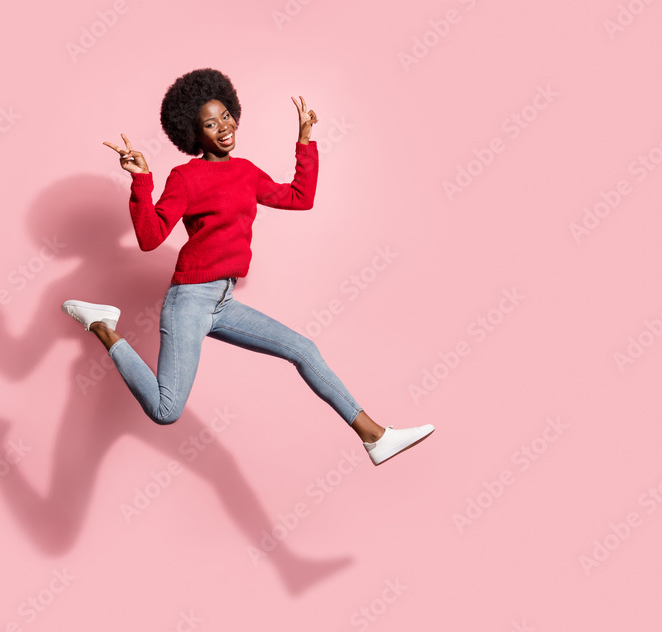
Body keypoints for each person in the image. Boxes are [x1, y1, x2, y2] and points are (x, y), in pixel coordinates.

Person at [63, 68, 433, 465]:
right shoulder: (185, 178)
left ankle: (374, 437)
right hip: (189, 301)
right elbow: (151, 238)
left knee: (304, 350)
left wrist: (304, 142)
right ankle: (101, 326)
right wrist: (141, 182)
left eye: (225, 116)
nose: (223, 127)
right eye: (210, 123)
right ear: (194, 133)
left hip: (223, 302)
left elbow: (299, 197)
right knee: (165, 411)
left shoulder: (246, 172)